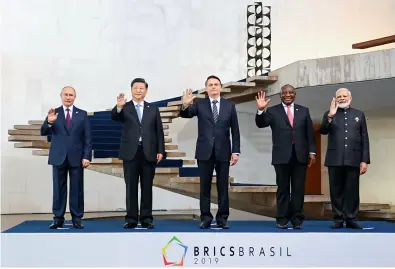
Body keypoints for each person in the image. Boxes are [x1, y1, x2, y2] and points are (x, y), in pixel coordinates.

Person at [180, 75, 241, 229]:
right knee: (205, 187)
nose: (213, 87)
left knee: (222, 186)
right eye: (210, 85)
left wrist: (236, 151)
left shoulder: (229, 106)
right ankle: (205, 217)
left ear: (220, 87)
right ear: (206, 88)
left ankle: (222, 218)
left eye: (216, 84)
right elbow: (186, 114)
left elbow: (235, 130)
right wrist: (185, 105)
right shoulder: (200, 105)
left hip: (224, 151)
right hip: (204, 151)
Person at [255, 85, 316, 229]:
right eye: (284, 93)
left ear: (294, 94)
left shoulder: (304, 111)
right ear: (280, 95)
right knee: (282, 189)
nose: (287, 95)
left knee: (298, 189)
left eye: (290, 92)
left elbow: (309, 134)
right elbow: (260, 123)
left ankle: (297, 219)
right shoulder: (272, 110)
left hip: (300, 156)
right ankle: (282, 218)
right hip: (281, 156)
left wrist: (312, 152)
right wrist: (261, 110)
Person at [111, 78, 165, 229]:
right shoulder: (125, 107)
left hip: (149, 152)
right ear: (131, 90)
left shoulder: (153, 108)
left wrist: (161, 150)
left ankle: (147, 218)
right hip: (131, 153)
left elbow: (158, 131)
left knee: (147, 187)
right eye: (136, 88)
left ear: (146, 91)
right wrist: (119, 107)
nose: (138, 90)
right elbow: (114, 117)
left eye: (142, 88)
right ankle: (131, 219)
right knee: (131, 187)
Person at [40, 86, 92, 229]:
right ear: (61, 96)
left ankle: (77, 218)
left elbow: (87, 138)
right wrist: (49, 122)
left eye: (71, 95)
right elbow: (43, 132)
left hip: (77, 157)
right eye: (66, 95)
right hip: (58, 157)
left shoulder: (82, 114)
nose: (68, 97)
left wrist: (87, 156)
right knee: (58, 189)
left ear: (75, 97)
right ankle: (58, 218)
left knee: (77, 189)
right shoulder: (53, 113)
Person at [320, 88, 370, 229]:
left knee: (352, 190)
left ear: (350, 98)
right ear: (335, 99)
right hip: (335, 159)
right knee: (336, 190)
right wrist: (330, 116)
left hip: (354, 158)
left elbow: (364, 139)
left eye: (344, 96)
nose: (342, 98)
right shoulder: (329, 114)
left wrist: (364, 160)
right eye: (339, 96)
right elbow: (323, 130)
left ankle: (352, 218)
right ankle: (338, 218)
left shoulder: (358, 114)